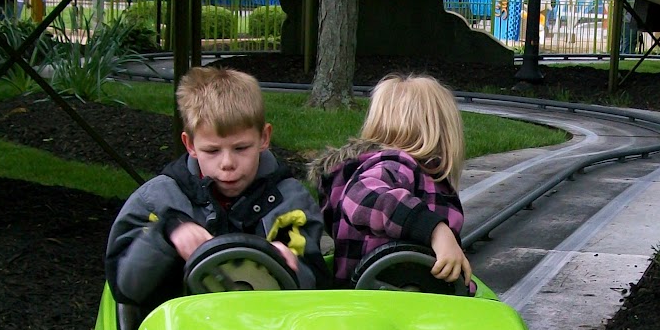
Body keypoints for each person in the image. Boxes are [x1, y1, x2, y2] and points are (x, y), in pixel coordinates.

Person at [105, 66, 326, 304]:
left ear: (264, 138)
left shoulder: (289, 201)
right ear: (189, 144)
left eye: (241, 148)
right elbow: (124, 289)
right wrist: (166, 235)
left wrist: (293, 268)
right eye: (212, 150)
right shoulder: (157, 201)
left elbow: (319, 285)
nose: (227, 163)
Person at [315, 73, 472, 287]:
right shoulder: (396, 166)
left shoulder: (401, 170)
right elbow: (362, 196)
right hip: (388, 303)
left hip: (387, 299)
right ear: (443, 137)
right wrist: (436, 230)